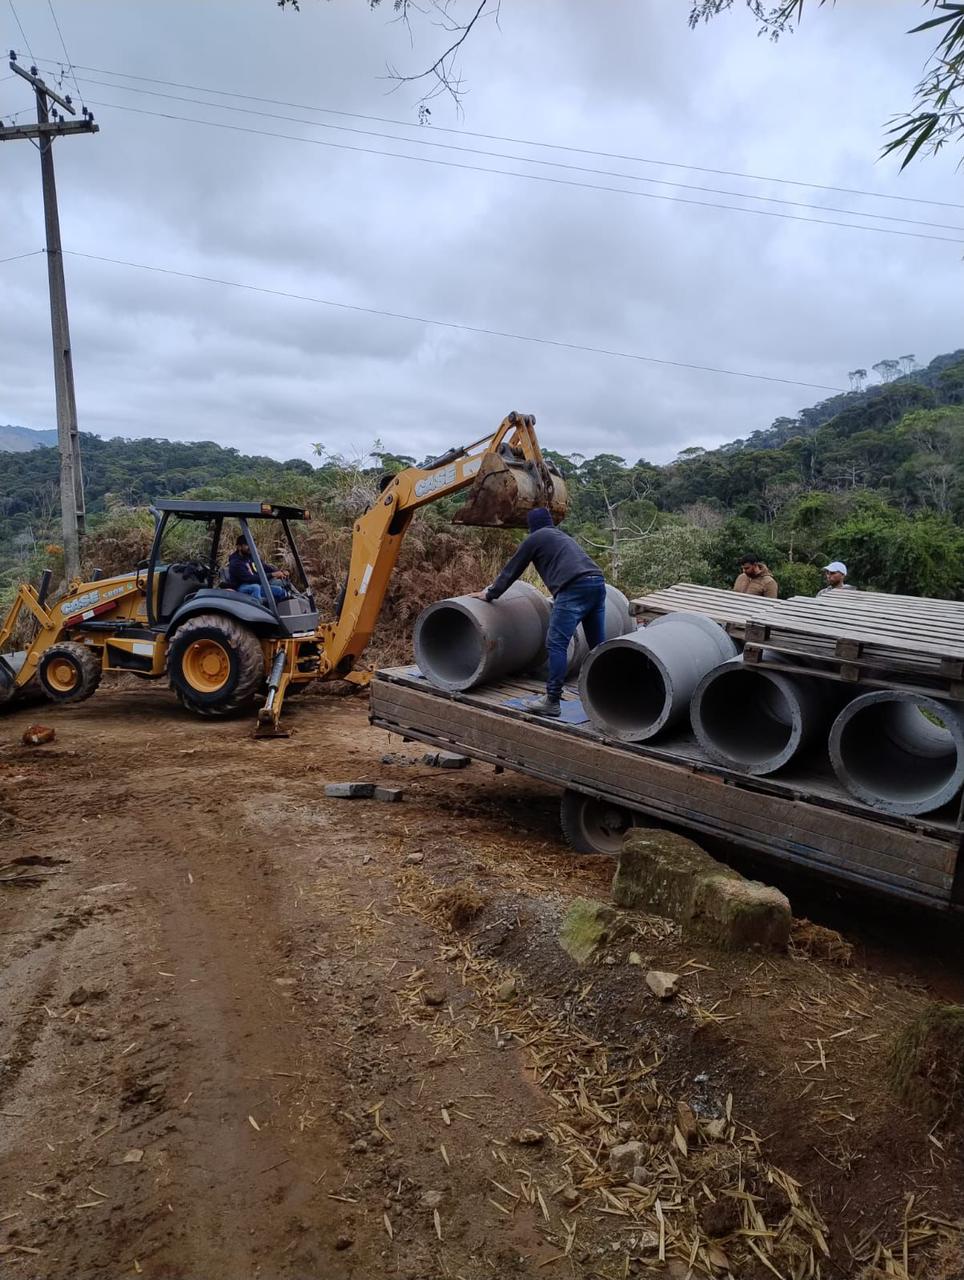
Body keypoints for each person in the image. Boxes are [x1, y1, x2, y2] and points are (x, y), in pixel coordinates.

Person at [469, 508, 605, 718]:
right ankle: (606, 695)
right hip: (596, 583)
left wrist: (490, 594)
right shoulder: (561, 536)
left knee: (556, 643)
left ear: (531, 526)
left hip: (573, 587)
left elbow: (512, 569)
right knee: (598, 646)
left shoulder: (536, 538)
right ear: (550, 522)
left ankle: (551, 700)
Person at [227, 535, 289, 603]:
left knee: (279, 590)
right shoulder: (236, 562)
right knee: (255, 588)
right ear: (239, 547)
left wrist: (279, 572)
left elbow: (263, 567)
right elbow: (250, 579)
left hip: (256, 584)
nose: (250, 547)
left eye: (251, 544)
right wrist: (272, 575)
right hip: (241, 587)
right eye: (247, 545)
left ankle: (281, 610)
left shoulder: (251, 556)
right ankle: (258, 610)